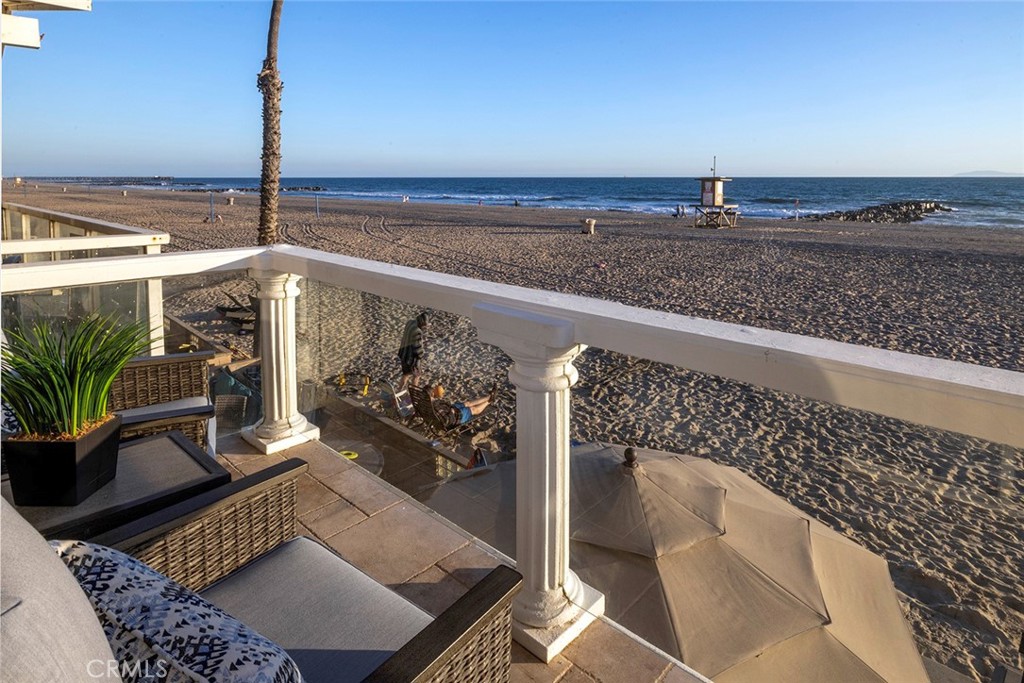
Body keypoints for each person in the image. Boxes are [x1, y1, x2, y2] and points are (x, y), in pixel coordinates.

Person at [431, 383, 495, 427]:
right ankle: (489, 401)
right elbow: (447, 420)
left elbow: (443, 405)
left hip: (449, 408)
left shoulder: (428, 403)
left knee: (467, 403)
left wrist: (449, 407)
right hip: (455, 417)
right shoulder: (435, 406)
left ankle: (489, 397)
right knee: (473, 409)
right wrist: (451, 411)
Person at [396, 312, 429, 390]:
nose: (425, 327)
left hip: (403, 354)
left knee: (406, 374)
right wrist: (421, 355)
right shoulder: (417, 331)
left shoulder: (410, 322)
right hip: (411, 358)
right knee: (416, 375)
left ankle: (399, 390)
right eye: (424, 325)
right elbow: (417, 348)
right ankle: (413, 393)